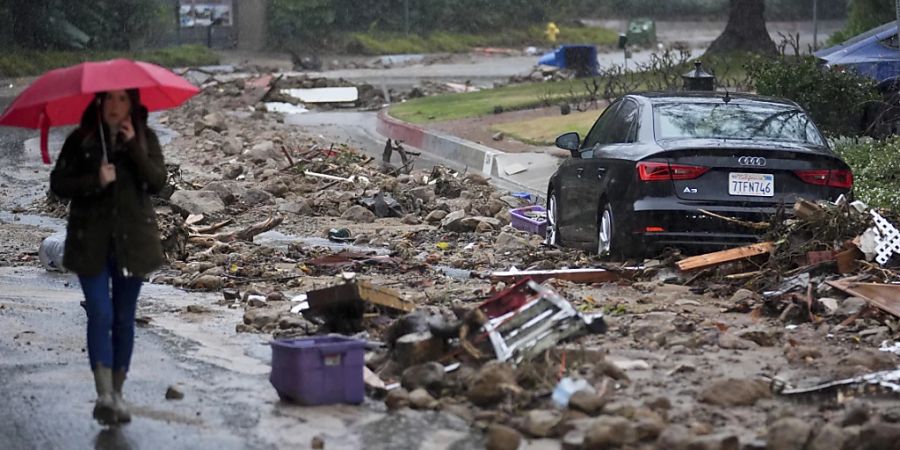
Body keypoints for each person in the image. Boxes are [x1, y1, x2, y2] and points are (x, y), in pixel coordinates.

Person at [50, 89, 167, 425]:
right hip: (91, 242)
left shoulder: (146, 138)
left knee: (123, 318)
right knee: (100, 313)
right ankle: (103, 394)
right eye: (109, 99)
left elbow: (158, 182)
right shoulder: (81, 139)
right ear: (98, 102)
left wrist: (133, 149)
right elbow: (59, 183)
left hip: (134, 244)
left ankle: (117, 394)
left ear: (133, 104)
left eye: (123, 100)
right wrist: (95, 180)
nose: (115, 106)